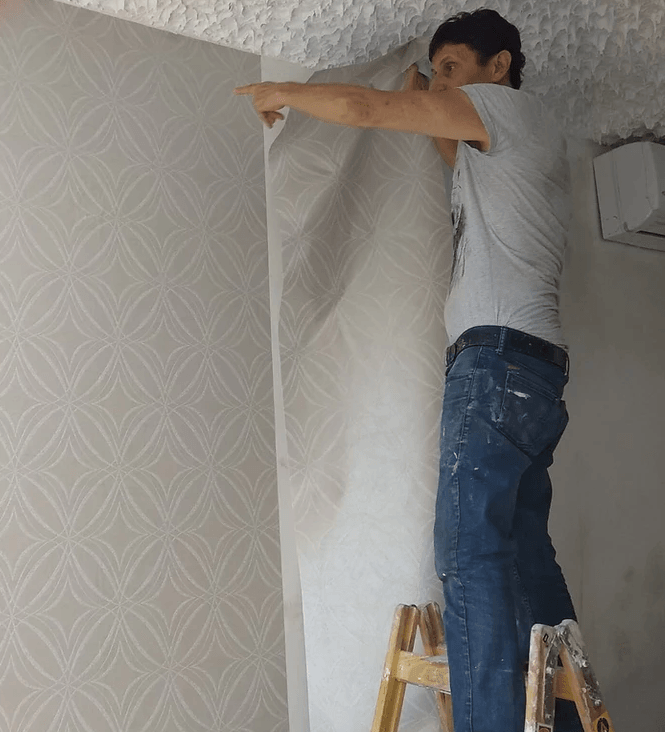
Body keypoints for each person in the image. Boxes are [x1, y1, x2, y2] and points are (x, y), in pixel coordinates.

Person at [235, 9, 583, 732]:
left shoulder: (497, 106)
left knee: (470, 559)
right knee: (523, 554)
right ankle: (570, 717)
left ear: (499, 66)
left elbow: (370, 110)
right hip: (536, 377)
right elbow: (434, 136)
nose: (442, 82)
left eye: (454, 66)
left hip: (491, 366)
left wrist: (280, 94)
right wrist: (421, 79)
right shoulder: (524, 143)